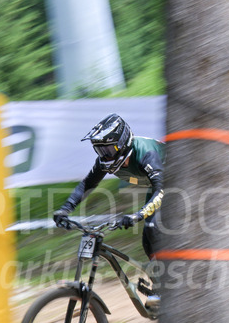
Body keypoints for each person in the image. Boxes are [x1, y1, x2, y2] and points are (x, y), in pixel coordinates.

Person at [52, 112, 165, 265]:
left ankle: (169, 275)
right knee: (148, 238)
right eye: (100, 151)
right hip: (156, 186)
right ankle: (160, 278)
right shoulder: (105, 161)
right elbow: (88, 184)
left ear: (123, 143)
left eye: (108, 151)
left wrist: (137, 215)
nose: (105, 157)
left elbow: (160, 190)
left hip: (174, 183)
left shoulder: (146, 154)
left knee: (153, 228)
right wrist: (65, 209)